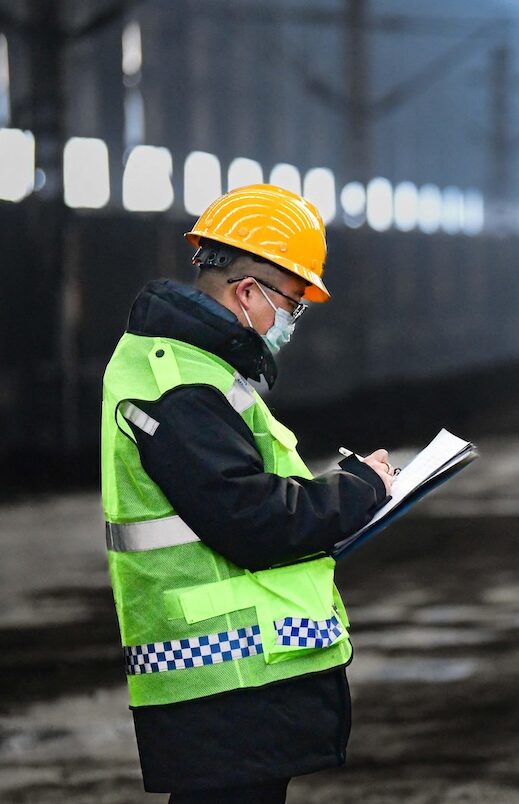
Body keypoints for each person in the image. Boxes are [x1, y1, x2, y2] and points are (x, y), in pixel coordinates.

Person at [99, 184, 395, 803]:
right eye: (292, 304)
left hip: (230, 679)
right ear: (247, 291)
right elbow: (251, 517)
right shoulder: (179, 385)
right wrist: (360, 489)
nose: (290, 321)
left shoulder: (197, 369)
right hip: (220, 674)